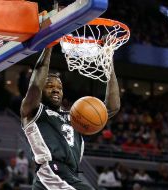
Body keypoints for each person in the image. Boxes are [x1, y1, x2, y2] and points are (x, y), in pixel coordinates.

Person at [20, 43, 120, 189]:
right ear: (41, 90)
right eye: (49, 86)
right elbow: (35, 85)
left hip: (70, 175)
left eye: (59, 88)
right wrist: (49, 44)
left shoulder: (75, 117)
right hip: (51, 174)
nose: (56, 90)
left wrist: (108, 60)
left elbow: (113, 107)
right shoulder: (33, 111)